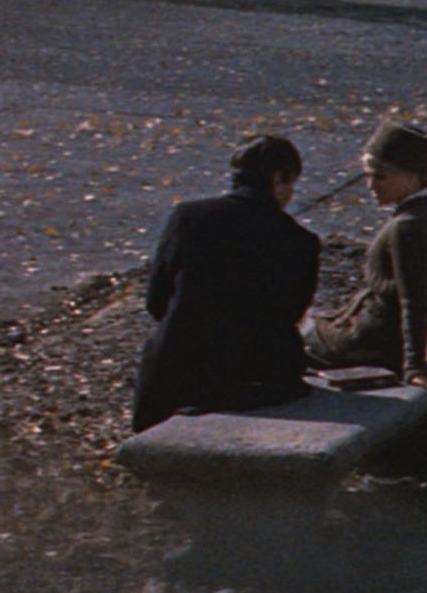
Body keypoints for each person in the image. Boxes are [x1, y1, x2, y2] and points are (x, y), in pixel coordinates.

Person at [132, 134, 322, 433]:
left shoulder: (188, 218)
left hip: (176, 375)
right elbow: (292, 314)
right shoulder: (301, 242)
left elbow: (156, 302)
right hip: (257, 379)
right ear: (279, 179)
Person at [305, 122, 427, 405]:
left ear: (412, 177)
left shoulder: (406, 227)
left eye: (381, 177)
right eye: (368, 176)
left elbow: (413, 300)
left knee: (300, 340)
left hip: (371, 340)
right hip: (384, 337)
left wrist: (414, 369)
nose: (371, 186)